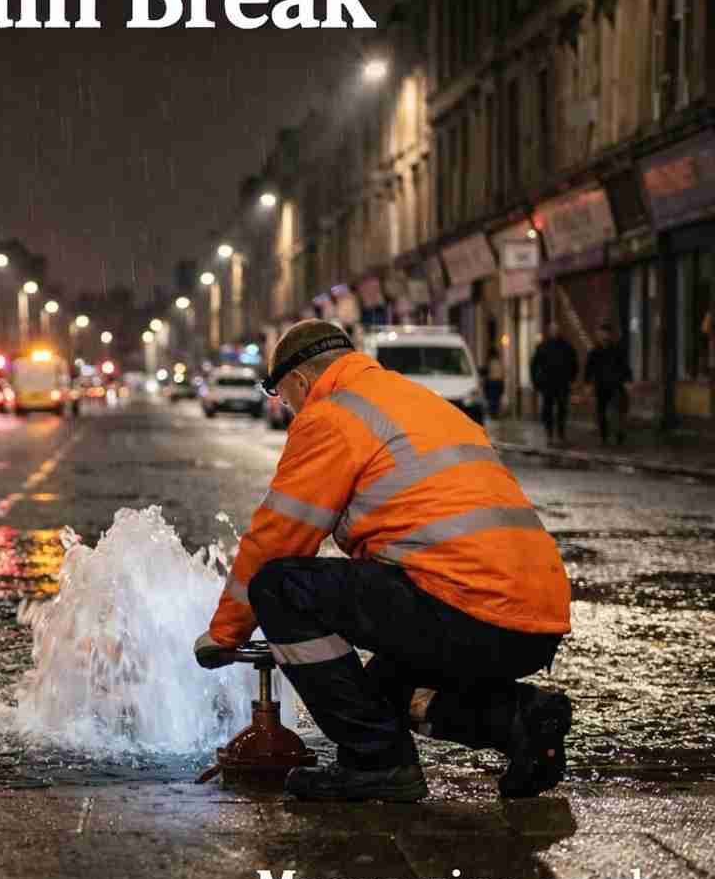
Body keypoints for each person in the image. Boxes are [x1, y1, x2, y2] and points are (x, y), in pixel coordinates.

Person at [194, 319, 572, 802]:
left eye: (281, 393)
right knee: (376, 693)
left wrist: (226, 633)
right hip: (533, 623)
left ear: (302, 382)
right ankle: (520, 722)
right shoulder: (415, 400)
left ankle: (379, 763)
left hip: (468, 610)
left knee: (279, 587)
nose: (284, 406)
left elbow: (279, 537)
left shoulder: (332, 414)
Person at [583, 321, 632, 445]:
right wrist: (587, 384)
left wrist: (628, 381)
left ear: (609, 335)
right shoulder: (594, 352)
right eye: (601, 334)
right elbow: (589, 369)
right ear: (598, 335)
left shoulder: (617, 350)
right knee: (601, 413)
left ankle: (619, 434)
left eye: (605, 334)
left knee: (617, 411)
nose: (603, 336)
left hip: (616, 385)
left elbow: (625, 366)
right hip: (601, 386)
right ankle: (604, 437)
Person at [530, 324, 578, 444]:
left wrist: (572, 379)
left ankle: (561, 434)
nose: (555, 332)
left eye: (556, 330)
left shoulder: (566, 347)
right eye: (552, 330)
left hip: (562, 384)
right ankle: (549, 434)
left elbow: (574, 364)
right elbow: (534, 364)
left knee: (562, 409)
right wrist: (536, 382)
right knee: (547, 410)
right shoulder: (543, 347)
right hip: (547, 384)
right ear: (549, 332)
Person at [484, 347, 505, 419]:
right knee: (497, 399)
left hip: (492, 382)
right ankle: (495, 413)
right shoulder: (499, 362)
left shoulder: (490, 362)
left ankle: (493, 413)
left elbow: (487, 372)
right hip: (499, 382)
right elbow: (502, 373)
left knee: (492, 399)